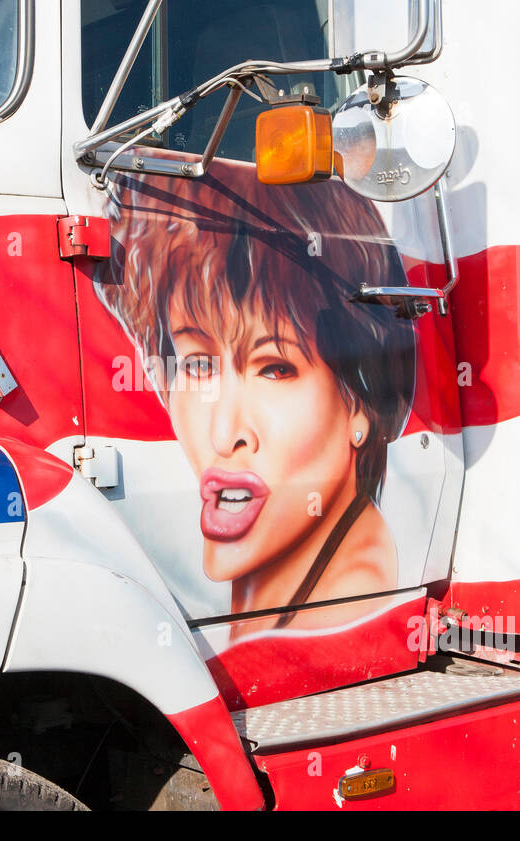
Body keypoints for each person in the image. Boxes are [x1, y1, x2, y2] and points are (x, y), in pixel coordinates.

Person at [98, 158, 417, 631]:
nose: (225, 434)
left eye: (275, 369)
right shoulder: (279, 601)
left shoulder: (340, 611)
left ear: (363, 403)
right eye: (199, 364)